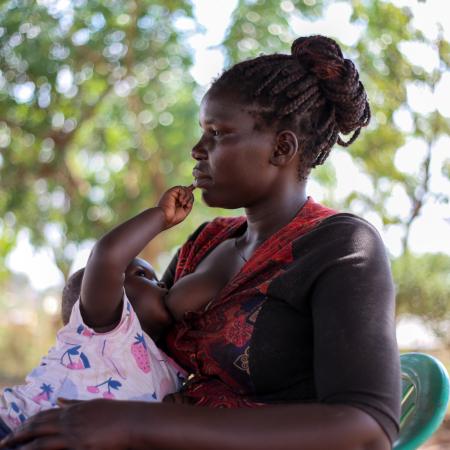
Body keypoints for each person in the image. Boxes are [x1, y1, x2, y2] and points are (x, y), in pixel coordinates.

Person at [0, 35, 401, 450]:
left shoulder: (341, 247)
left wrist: (139, 425)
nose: (197, 150)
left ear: (282, 147)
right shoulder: (206, 241)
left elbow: (368, 429)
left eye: (217, 133)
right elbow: (126, 345)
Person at [0, 185, 197, 440]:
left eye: (158, 280)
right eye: (142, 275)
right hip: (13, 428)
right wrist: (160, 215)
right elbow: (107, 257)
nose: (160, 284)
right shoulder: (108, 328)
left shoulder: (169, 364)